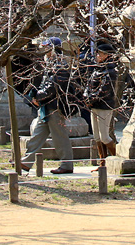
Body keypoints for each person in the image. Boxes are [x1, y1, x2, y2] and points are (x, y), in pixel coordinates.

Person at [21, 37, 76, 174]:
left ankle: (67, 164)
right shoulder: (50, 64)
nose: (44, 50)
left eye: (47, 47)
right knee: (37, 135)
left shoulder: (60, 66)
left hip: (55, 107)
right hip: (46, 106)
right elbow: (44, 85)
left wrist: (38, 97)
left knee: (59, 137)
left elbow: (52, 87)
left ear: (53, 49)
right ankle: (26, 162)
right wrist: (35, 96)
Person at [83, 42, 118, 168]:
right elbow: (89, 85)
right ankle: (102, 163)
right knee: (97, 137)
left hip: (104, 106)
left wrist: (91, 98)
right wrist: (86, 96)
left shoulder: (111, 71)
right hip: (94, 105)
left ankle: (116, 159)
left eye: (100, 54)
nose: (97, 56)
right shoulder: (97, 69)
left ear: (107, 55)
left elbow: (104, 90)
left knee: (104, 137)